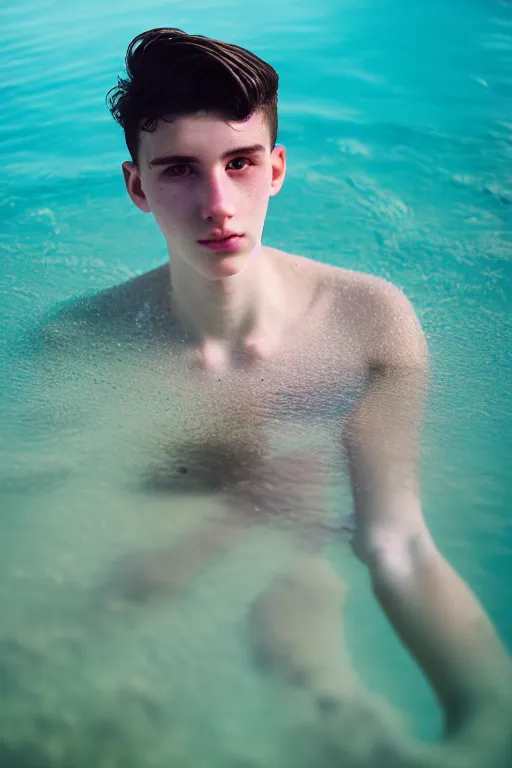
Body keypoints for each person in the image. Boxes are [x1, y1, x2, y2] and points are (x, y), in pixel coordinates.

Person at [43, 27, 511, 766]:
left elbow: (397, 540)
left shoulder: (367, 321)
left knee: (299, 604)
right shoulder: (76, 343)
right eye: (179, 172)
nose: (217, 203)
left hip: (294, 552)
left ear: (278, 168)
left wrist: (488, 716)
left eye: (239, 163)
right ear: (136, 186)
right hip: (169, 530)